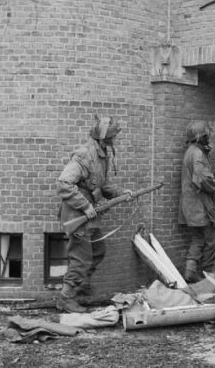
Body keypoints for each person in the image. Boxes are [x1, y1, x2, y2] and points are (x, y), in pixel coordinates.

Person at [56, 116, 132, 313]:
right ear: (102, 137)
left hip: (90, 216)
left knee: (98, 251)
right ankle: (66, 297)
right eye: (111, 138)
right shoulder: (84, 155)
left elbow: (101, 183)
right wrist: (84, 206)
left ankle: (81, 287)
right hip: (78, 215)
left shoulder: (102, 155)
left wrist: (119, 193)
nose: (113, 141)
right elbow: (64, 183)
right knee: (80, 259)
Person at [179, 121, 215, 283]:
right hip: (200, 206)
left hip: (191, 206)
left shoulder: (191, 151)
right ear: (199, 137)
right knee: (212, 239)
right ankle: (207, 275)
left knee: (198, 238)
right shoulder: (198, 154)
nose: (207, 139)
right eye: (205, 136)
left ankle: (190, 273)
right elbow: (202, 180)